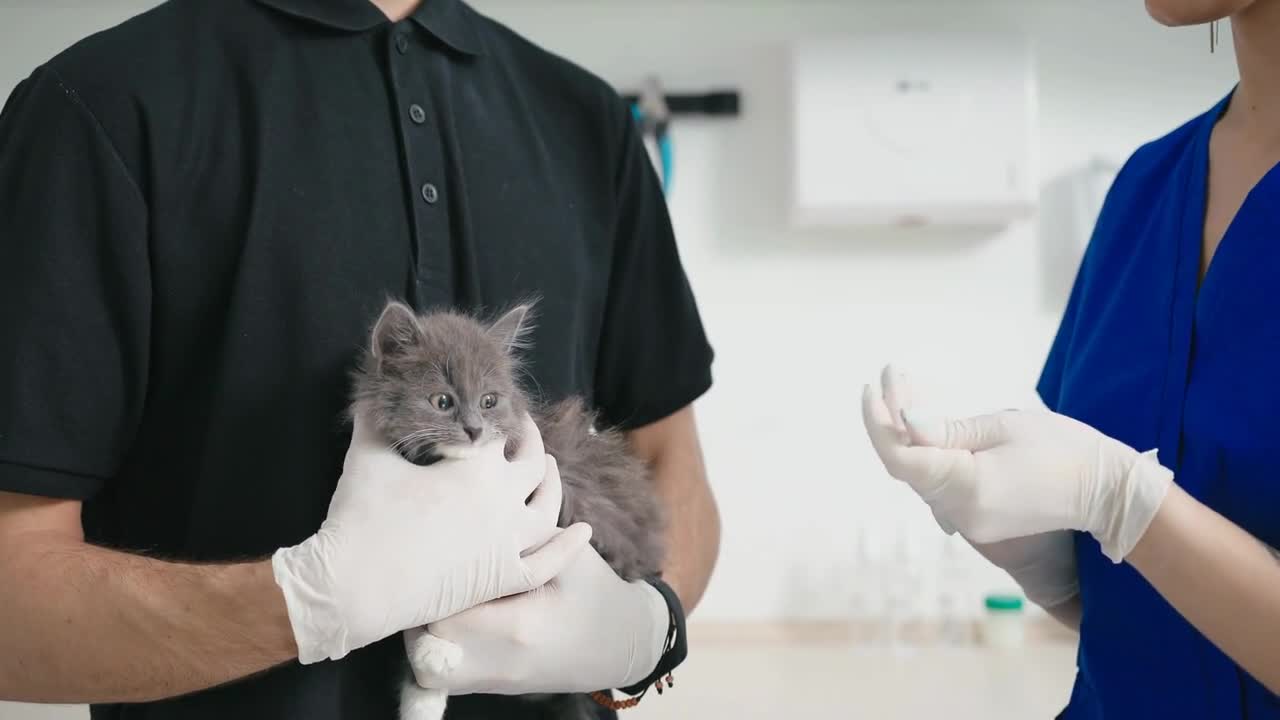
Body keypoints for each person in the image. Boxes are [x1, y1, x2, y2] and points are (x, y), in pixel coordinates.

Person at [0, 0, 721, 718]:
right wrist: (308, 604)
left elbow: (668, 452)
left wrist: (646, 626)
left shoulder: (589, 123)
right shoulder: (98, 107)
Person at [862, 0, 1280, 717]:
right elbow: (1139, 625)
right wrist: (1039, 556)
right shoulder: (1147, 187)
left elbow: (1121, 502)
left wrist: (1123, 499)